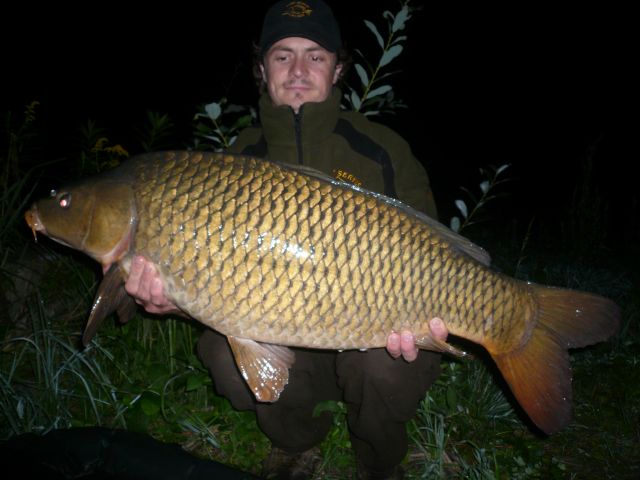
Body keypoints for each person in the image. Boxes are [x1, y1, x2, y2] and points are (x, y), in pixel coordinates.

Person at [125, 1, 448, 478]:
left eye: (315, 55)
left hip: (373, 341)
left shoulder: (382, 150)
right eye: (282, 55)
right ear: (262, 69)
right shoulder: (234, 161)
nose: (298, 70)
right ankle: (295, 440)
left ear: (338, 68)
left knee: (385, 366)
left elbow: (435, 252)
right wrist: (170, 297)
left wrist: (433, 316)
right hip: (287, 348)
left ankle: (378, 459)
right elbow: (209, 277)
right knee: (220, 350)